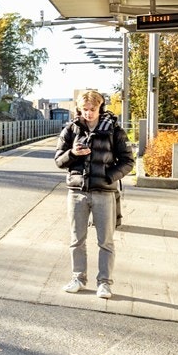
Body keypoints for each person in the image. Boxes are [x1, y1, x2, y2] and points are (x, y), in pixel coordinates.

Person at [54, 89, 134, 299]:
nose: (89, 113)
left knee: (105, 241)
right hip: (77, 192)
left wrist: (109, 177)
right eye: (85, 109)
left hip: (104, 192)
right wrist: (73, 153)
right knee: (76, 239)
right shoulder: (71, 129)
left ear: (100, 107)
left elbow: (128, 161)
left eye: (93, 109)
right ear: (79, 109)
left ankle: (104, 283)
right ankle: (78, 278)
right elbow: (58, 160)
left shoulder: (114, 130)